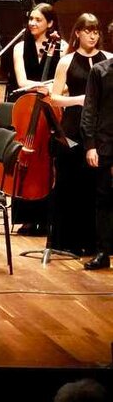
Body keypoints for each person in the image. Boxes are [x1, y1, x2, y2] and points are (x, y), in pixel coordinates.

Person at [48, 14, 110, 256]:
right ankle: (69, 241)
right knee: (70, 184)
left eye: (96, 31)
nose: (92, 36)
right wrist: (80, 100)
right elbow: (54, 97)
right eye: (87, 31)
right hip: (73, 127)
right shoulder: (67, 61)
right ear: (77, 33)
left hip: (97, 129)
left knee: (94, 186)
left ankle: (95, 242)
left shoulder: (108, 60)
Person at [9, 3, 68, 236]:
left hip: (51, 107)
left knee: (47, 158)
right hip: (26, 107)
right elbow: (23, 82)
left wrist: (50, 87)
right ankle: (25, 216)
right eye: (31, 19)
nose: (32, 23)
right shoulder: (20, 47)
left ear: (50, 23)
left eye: (38, 20)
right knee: (25, 155)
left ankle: (47, 216)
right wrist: (46, 85)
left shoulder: (62, 48)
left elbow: (63, 84)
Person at [80, 25, 113, 270]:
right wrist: (90, 145)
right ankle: (103, 251)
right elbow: (89, 109)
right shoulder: (100, 72)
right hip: (105, 143)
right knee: (103, 198)